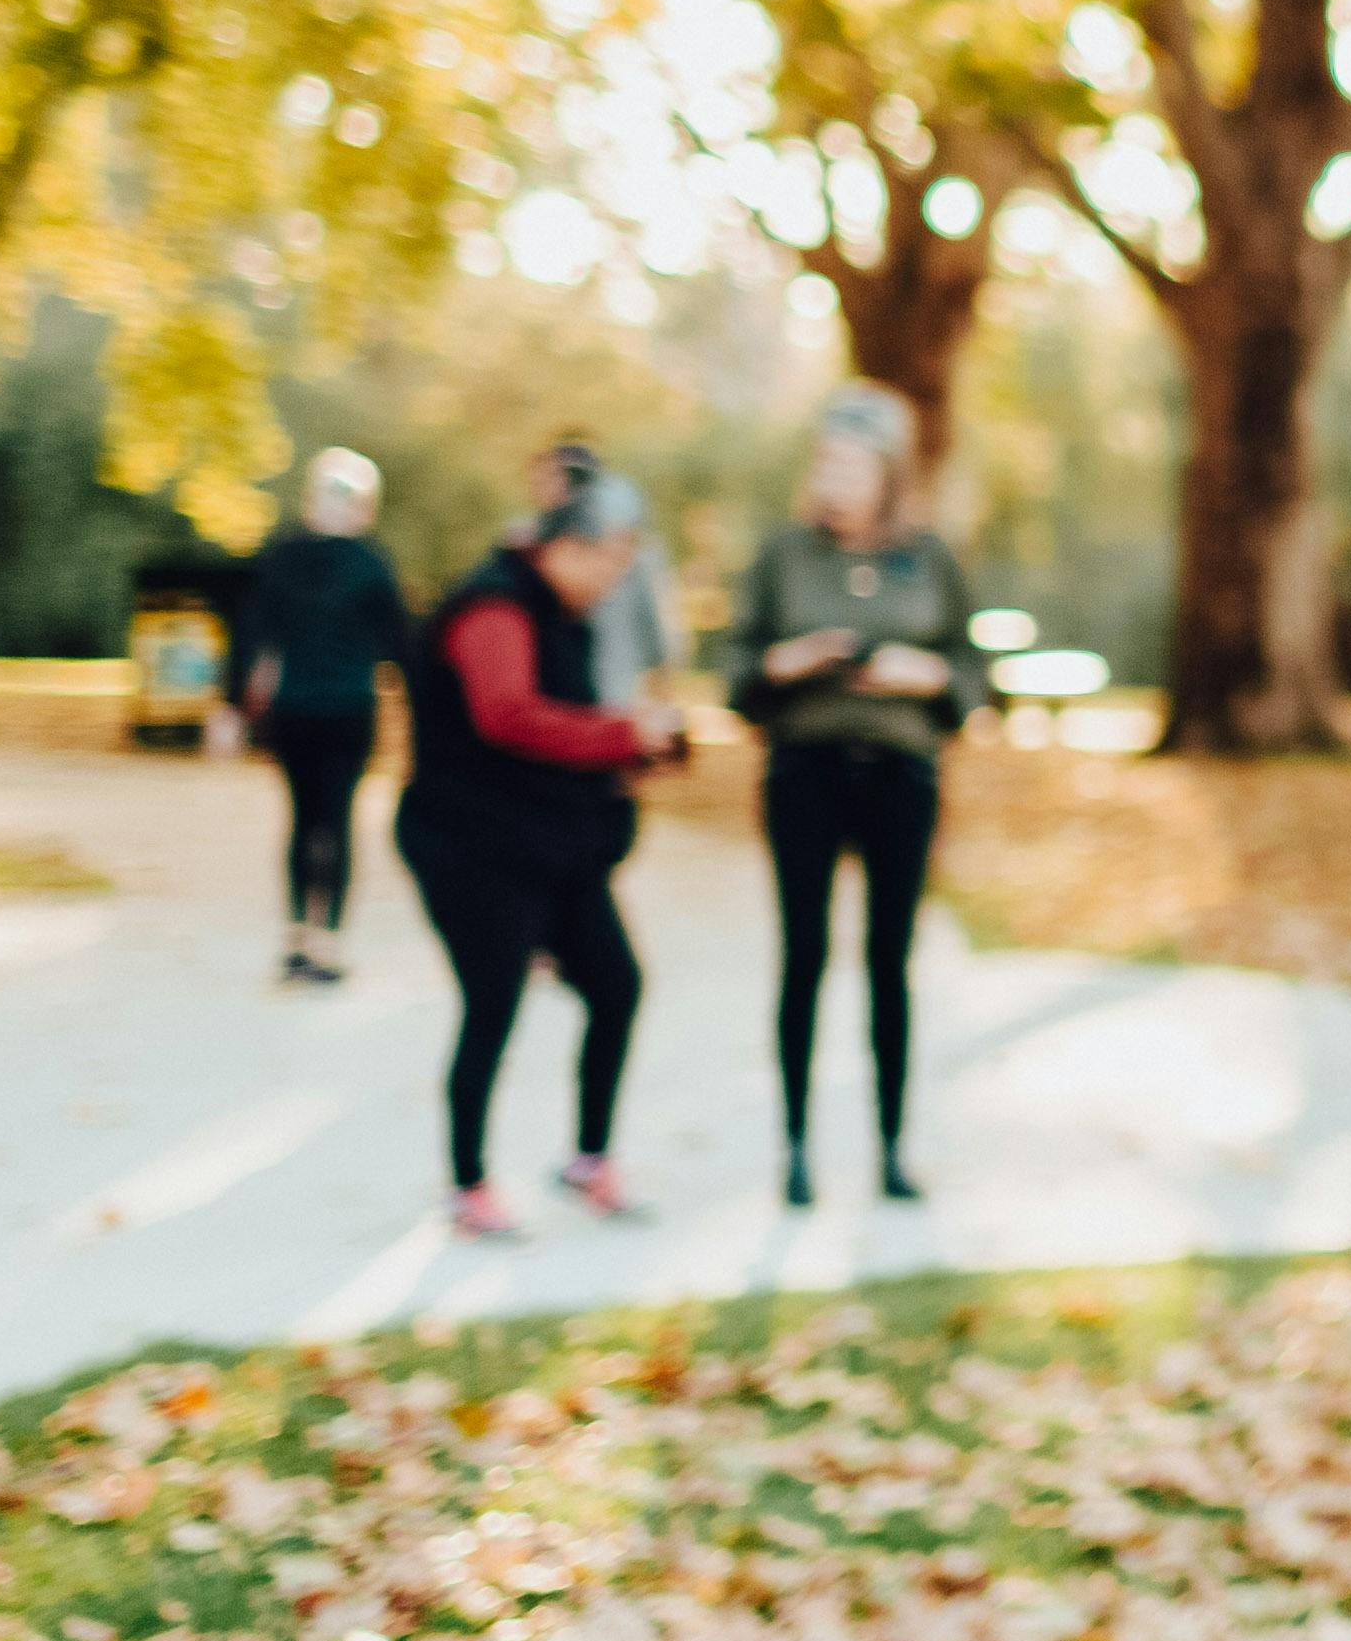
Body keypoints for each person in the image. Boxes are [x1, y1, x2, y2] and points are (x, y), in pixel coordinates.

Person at [723, 386, 988, 1207]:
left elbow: (975, 674)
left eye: (850, 463)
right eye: (824, 461)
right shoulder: (783, 557)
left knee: (889, 963)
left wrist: (929, 673)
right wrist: (787, 662)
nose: (833, 478)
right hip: (805, 771)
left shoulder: (932, 558)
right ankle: (797, 1149)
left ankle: (891, 1148)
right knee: (803, 956)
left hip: (901, 775)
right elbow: (734, 672)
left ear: (889, 472)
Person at [396, 468, 675, 1238]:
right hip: (470, 844)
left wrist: (631, 750)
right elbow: (508, 715)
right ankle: (469, 1183)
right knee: (492, 1004)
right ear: (571, 548)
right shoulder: (493, 605)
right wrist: (623, 734)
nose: (616, 582)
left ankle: (588, 1158)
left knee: (616, 985)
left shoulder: (561, 611)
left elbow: (568, 720)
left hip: (552, 843)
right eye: (612, 563)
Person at [234, 449, 412, 987]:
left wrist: (233, 705)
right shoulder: (371, 562)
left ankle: (299, 936)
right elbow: (402, 645)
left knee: (304, 821)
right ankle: (323, 938)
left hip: (300, 711)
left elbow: (251, 633)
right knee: (334, 821)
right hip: (344, 712)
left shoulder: (281, 556)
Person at [521, 428, 683, 722]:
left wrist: (661, 691)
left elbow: (656, 625)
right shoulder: (533, 542)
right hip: (567, 699)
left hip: (602, 696)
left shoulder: (626, 548)